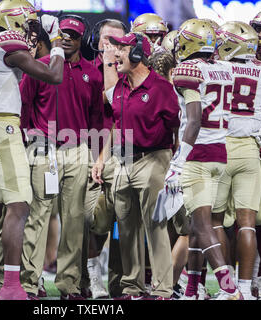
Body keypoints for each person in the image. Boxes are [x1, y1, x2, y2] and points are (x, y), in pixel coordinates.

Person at [0, 0, 65, 300]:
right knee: (19, 208)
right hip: (3, 127)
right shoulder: (7, 40)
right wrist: (56, 42)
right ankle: (10, 286)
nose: (29, 30)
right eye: (27, 23)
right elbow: (54, 75)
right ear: (13, 19)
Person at [20, 14, 104, 300]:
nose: (67, 37)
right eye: (63, 33)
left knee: (74, 220)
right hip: (43, 147)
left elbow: (96, 119)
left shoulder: (93, 73)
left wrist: (94, 159)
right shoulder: (39, 67)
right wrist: (28, 140)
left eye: (73, 34)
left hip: (78, 149)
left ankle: (69, 285)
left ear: (82, 40)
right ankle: (29, 284)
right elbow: (24, 107)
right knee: (37, 218)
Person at [93, 31, 179, 300]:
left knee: (156, 225)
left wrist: (172, 162)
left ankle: (163, 289)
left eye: (121, 49)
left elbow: (176, 125)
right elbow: (115, 120)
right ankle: (133, 288)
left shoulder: (161, 87)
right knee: (126, 228)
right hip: (125, 160)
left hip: (154, 157)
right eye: (115, 49)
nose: (116, 53)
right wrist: (105, 158)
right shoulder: (119, 87)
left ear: (139, 54)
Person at [166, 18, 242, 300]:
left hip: (197, 155)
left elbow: (194, 121)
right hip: (221, 154)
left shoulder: (188, 70)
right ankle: (192, 288)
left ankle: (229, 286)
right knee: (203, 225)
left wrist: (177, 162)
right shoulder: (225, 68)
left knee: (200, 225)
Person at [212, 21, 261, 300]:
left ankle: (229, 288)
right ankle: (245, 288)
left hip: (221, 145)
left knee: (216, 222)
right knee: (247, 223)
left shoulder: (215, 68)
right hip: (249, 149)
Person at [81, 18, 127, 299]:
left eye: (117, 40)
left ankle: (119, 282)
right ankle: (92, 277)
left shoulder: (133, 71)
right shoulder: (88, 71)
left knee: (125, 224)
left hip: (127, 152)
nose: (111, 45)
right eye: (106, 39)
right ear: (95, 41)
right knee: (96, 223)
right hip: (93, 152)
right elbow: (110, 101)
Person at [250, 8, 261, 299]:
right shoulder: (242, 63)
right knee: (258, 218)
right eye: (259, 30)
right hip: (256, 147)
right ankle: (257, 278)